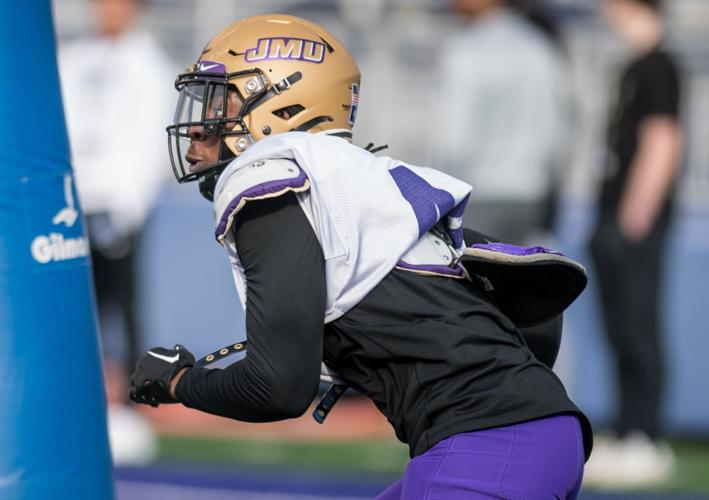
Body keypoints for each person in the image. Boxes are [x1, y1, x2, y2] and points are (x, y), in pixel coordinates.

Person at [129, 14, 592, 498]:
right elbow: (533, 303)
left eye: (220, 101)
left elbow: (278, 387)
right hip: (535, 434)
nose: (200, 128)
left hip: (485, 446)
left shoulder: (267, 179)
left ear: (284, 106)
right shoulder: (365, 184)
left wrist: (177, 382)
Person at [59, 0, 174, 464]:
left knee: (123, 308)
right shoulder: (72, 59)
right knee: (70, 311)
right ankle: (65, 401)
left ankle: (133, 407)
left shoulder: (148, 66)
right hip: (72, 203)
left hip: (115, 205)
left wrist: (129, 204)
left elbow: (148, 140)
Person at [585, 0, 683, 488]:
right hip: (614, 213)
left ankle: (645, 435)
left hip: (633, 218)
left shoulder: (659, 66)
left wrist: (636, 210)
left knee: (640, 325)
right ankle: (626, 432)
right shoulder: (634, 66)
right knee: (619, 327)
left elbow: (663, 138)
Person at [434, 0, 570, 244]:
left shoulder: (466, 49)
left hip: (478, 194)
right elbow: (557, 132)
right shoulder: (540, 47)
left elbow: (454, 136)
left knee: (471, 279)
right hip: (530, 194)